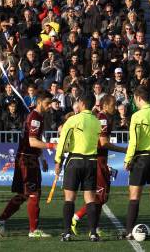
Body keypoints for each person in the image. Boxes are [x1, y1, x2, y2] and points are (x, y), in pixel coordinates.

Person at [0, 92, 53, 238]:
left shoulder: (38, 117)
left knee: (25, 194)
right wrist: (53, 145)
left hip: (30, 158)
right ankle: (33, 230)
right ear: (39, 102)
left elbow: (35, 140)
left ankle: (1, 220)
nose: (49, 106)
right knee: (34, 193)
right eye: (47, 103)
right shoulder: (35, 118)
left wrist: (42, 158)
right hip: (27, 160)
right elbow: (32, 142)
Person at [71, 95, 127, 236]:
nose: (115, 107)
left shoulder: (104, 117)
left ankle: (95, 227)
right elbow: (103, 143)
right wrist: (124, 150)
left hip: (100, 160)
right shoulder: (102, 118)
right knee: (100, 196)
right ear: (105, 105)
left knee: (102, 196)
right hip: (97, 160)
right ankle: (76, 218)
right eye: (113, 105)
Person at [55, 94, 102, 242]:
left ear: (81, 103)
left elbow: (63, 141)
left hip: (75, 161)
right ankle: (93, 233)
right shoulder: (96, 122)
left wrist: (58, 160)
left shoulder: (73, 119)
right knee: (90, 199)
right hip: (91, 162)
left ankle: (67, 232)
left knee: (69, 199)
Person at [124, 86, 150, 240]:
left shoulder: (137, 116)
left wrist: (128, 159)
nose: (134, 101)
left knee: (134, 196)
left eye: (135, 98)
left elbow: (133, 141)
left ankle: (129, 231)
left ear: (139, 98)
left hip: (141, 158)